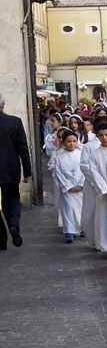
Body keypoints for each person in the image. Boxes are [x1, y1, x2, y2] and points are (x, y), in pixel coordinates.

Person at [0, 93, 32, 250]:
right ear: (3, 105)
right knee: (12, 200)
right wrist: (27, 171)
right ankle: (13, 223)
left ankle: (0, 240)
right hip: (10, 170)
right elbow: (23, 148)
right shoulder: (15, 122)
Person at [84, 120, 107, 258]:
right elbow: (93, 172)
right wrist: (105, 188)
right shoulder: (95, 154)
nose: (104, 138)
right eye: (101, 135)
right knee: (106, 218)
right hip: (106, 192)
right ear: (97, 137)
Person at [54, 129, 85, 243]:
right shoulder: (59, 157)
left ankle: (83, 228)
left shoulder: (82, 155)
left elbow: (86, 170)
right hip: (67, 189)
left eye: (74, 141)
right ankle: (69, 231)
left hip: (80, 188)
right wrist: (68, 186)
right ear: (63, 142)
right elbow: (59, 174)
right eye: (68, 141)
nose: (71, 144)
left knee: (82, 208)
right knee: (68, 209)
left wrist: (81, 184)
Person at [78, 120, 103, 246]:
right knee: (93, 211)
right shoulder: (89, 146)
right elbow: (84, 165)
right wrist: (96, 180)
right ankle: (95, 238)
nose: (104, 137)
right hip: (93, 184)